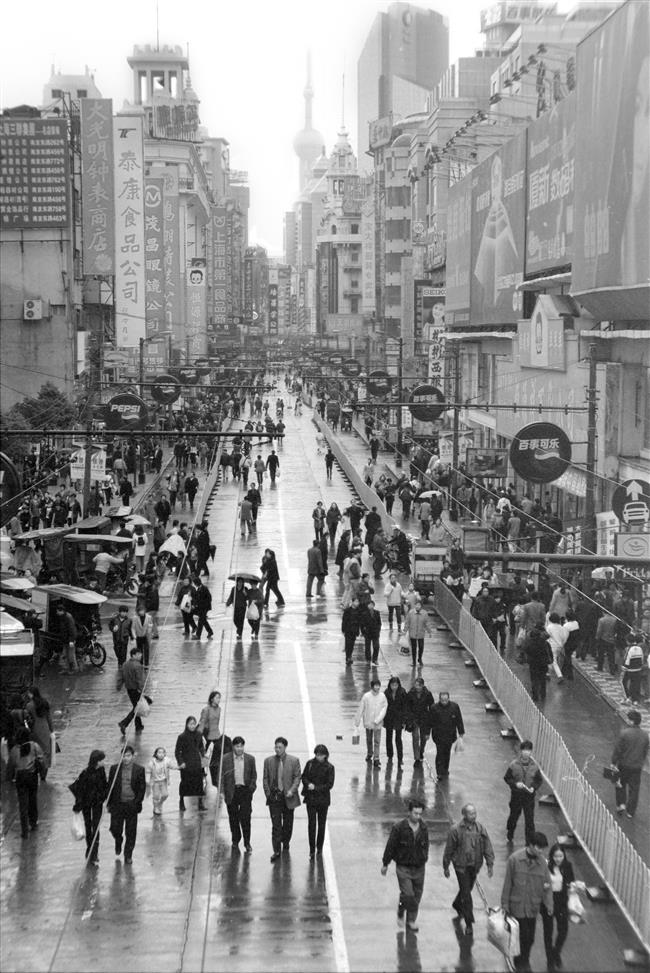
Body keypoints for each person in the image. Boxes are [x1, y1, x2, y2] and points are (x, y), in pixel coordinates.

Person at [501, 831, 553, 972]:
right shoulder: (515, 860)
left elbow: (547, 885)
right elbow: (508, 884)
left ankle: (524, 960)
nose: (541, 851)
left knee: (530, 938)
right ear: (531, 845)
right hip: (517, 907)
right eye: (538, 848)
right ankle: (521, 963)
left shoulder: (542, 863)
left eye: (543, 848)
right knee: (522, 936)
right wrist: (505, 905)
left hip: (532, 907)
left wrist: (549, 905)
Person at [443, 803, 494, 936]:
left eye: (475, 813)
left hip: (475, 866)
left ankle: (456, 904)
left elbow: (487, 846)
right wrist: (446, 866)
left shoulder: (480, 828)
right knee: (466, 893)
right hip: (461, 866)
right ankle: (469, 922)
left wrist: (490, 864)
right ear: (464, 815)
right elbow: (449, 849)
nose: (474, 816)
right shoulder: (456, 830)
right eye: (471, 813)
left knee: (467, 889)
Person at [381, 798, 429, 933]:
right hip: (404, 867)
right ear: (409, 812)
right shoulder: (399, 828)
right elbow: (391, 846)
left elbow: (426, 845)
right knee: (408, 894)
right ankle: (401, 911)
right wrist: (385, 863)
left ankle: (411, 920)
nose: (418, 816)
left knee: (417, 896)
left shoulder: (424, 828)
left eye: (420, 814)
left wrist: (424, 858)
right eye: (415, 813)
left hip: (419, 868)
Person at [262, 737, 302, 862]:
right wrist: (268, 794)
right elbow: (265, 779)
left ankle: (286, 842)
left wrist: (292, 790)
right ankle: (276, 850)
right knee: (276, 825)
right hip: (275, 798)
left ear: (285, 747)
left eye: (280, 747)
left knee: (288, 823)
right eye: (276, 747)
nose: (277, 749)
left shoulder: (294, 761)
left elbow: (297, 777)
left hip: (288, 797)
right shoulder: (268, 761)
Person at [107, 746, 147, 864]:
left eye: (128, 756)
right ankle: (118, 840)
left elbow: (141, 788)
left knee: (131, 831)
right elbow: (110, 786)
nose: (125, 758)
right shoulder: (115, 769)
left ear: (132, 756)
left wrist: (137, 802)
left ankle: (128, 854)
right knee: (115, 828)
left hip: (131, 805)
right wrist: (109, 803)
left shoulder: (139, 770)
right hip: (117, 804)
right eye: (124, 756)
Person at [69, 749, 108, 863]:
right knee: (88, 826)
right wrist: (77, 807)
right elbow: (80, 791)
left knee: (96, 827)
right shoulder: (85, 773)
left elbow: (104, 786)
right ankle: (89, 848)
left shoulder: (102, 771)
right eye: (102, 760)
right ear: (97, 761)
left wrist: (104, 796)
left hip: (97, 804)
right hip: (87, 804)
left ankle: (94, 852)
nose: (104, 762)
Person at [541, 843, 575, 971]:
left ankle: (555, 953)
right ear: (552, 856)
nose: (558, 859)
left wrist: (573, 887)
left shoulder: (568, 866)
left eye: (561, 856)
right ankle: (550, 960)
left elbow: (571, 881)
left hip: (561, 902)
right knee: (548, 932)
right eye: (556, 856)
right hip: (548, 902)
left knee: (563, 930)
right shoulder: (546, 867)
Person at [7, 727, 45, 838]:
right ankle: (33, 823)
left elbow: (10, 766)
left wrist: (9, 780)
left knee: (22, 804)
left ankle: (24, 830)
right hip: (32, 776)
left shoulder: (14, 750)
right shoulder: (34, 746)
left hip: (20, 778)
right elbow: (41, 760)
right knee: (33, 800)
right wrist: (42, 773)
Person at [221, 736, 257, 852]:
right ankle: (235, 840)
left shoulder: (250, 759)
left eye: (241, 746)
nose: (240, 748)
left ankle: (247, 842)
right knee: (233, 818)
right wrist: (222, 791)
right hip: (231, 791)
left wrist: (251, 789)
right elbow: (220, 776)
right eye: (237, 746)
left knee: (246, 818)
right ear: (233, 747)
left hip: (245, 791)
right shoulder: (225, 759)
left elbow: (253, 776)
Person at [611, 709, 649, 818]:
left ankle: (621, 804)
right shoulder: (645, 735)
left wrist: (613, 762)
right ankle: (630, 812)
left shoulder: (625, 733)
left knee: (620, 784)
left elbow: (618, 750)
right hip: (637, 766)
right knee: (634, 789)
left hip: (624, 764)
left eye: (628, 719)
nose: (627, 720)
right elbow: (645, 751)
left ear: (632, 721)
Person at [504, 740, 543, 844]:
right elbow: (507, 778)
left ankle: (529, 841)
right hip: (516, 795)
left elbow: (539, 780)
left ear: (531, 752)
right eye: (525, 750)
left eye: (528, 750)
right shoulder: (514, 764)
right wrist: (515, 784)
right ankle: (510, 832)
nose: (526, 752)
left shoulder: (534, 766)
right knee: (514, 816)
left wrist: (534, 788)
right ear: (521, 751)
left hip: (529, 797)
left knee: (529, 820)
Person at [301, 744, 335, 860]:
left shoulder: (329, 767)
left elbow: (329, 784)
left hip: (323, 800)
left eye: (320, 755)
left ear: (325, 755)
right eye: (316, 754)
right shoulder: (310, 764)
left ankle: (319, 847)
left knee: (321, 824)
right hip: (311, 799)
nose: (318, 757)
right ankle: (311, 848)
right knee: (311, 824)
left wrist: (315, 787)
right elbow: (304, 777)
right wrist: (308, 784)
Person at [429, 692, 465, 781]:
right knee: (440, 752)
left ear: (449, 699)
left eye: (445, 700)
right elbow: (429, 721)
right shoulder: (434, 708)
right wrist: (427, 732)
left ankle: (445, 769)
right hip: (438, 735)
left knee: (447, 752)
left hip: (450, 734)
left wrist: (461, 732)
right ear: (439, 699)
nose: (444, 702)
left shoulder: (454, 707)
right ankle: (439, 772)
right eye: (442, 700)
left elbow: (459, 720)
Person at [175, 716, 207, 813]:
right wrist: (181, 762)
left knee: (199, 783)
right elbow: (177, 751)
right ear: (186, 725)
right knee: (185, 783)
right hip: (186, 763)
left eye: (194, 724)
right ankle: (181, 801)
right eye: (190, 724)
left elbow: (201, 747)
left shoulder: (199, 735)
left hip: (196, 762)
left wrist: (204, 755)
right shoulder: (182, 737)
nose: (192, 726)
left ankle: (200, 803)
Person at [198, 690, 228, 788]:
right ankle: (202, 771)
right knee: (204, 754)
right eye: (217, 697)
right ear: (212, 699)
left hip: (216, 734)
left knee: (220, 752)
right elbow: (202, 722)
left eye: (219, 697)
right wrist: (199, 735)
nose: (219, 700)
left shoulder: (219, 709)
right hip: (207, 734)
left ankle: (218, 770)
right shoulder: (206, 710)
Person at [354, 678, 388, 768]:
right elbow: (361, 708)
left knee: (377, 741)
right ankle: (370, 753)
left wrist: (378, 719)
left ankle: (376, 758)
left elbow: (384, 709)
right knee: (369, 740)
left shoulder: (382, 696)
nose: (377, 687)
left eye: (378, 685)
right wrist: (357, 721)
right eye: (375, 685)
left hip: (378, 724)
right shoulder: (366, 696)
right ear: (372, 686)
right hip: (368, 722)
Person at [23, 686, 54, 780]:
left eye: (28, 693)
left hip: (34, 730)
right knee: (46, 752)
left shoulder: (29, 705)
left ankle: (36, 773)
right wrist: (52, 731)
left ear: (31, 694)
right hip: (45, 729)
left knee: (36, 753)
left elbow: (27, 720)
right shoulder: (45, 703)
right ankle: (43, 777)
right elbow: (49, 718)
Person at [406, 677, 434, 765]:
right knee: (415, 737)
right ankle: (417, 757)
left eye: (419, 685)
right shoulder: (410, 693)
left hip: (424, 718)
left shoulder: (428, 694)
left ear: (422, 686)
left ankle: (421, 751)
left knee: (423, 738)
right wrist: (408, 718)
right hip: (414, 718)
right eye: (416, 685)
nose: (417, 687)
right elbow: (407, 706)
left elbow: (431, 706)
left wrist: (431, 717)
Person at [118, 646, 146, 736]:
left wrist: (119, 686)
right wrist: (142, 689)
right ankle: (124, 723)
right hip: (136, 690)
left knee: (136, 706)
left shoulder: (125, 664)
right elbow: (139, 679)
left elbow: (121, 677)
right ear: (133, 655)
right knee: (136, 708)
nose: (140, 656)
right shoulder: (138, 666)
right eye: (138, 654)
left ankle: (138, 725)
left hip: (129, 690)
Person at [523, 623, 552, 703]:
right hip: (543, 664)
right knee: (542, 678)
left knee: (534, 679)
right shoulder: (545, 643)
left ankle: (535, 694)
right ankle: (543, 693)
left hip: (533, 664)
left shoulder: (529, 644)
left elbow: (525, 651)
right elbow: (550, 653)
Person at [384, 675, 408, 767]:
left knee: (398, 739)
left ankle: (400, 758)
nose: (394, 686)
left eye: (396, 684)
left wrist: (404, 720)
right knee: (388, 737)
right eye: (392, 684)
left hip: (399, 718)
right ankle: (390, 755)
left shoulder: (402, 692)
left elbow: (405, 706)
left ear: (398, 685)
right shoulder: (386, 692)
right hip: (389, 718)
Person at [403, 601, 434, 667]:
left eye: (419, 605)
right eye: (416, 605)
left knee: (421, 647)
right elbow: (407, 622)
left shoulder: (424, 613)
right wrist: (405, 630)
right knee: (414, 648)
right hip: (412, 633)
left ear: (421, 606)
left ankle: (420, 658)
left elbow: (427, 623)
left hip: (421, 633)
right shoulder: (411, 613)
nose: (417, 606)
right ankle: (414, 661)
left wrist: (429, 631)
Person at [146, 746, 174, 816]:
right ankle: (156, 808)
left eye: (163, 752)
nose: (161, 754)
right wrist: (147, 780)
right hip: (155, 782)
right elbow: (148, 771)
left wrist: (179, 767)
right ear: (156, 754)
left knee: (165, 795)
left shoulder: (167, 761)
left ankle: (160, 803)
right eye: (159, 752)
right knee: (156, 796)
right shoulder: (152, 762)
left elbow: (172, 766)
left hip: (163, 781)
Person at [54, 602, 79, 673]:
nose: (57, 613)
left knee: (71, 655)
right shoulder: (63, 617)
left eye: (57, 611)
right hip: (65, 639)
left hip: (69, 640)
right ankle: (66, 668)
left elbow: (72, 629)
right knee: (65, 655)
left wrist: (71, 640)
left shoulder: (68, 617)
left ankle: (74, 669)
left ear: (61, 611)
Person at [109, 604, 132, 673]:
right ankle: (120, 661)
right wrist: (113, 629)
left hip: (125, 638)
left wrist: (132, 637)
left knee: (123, 652)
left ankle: (122, 664)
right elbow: (110, 625)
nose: (124, 613)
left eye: (125, 612)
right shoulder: (114, 619)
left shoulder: (129, 620)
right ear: (119, 612)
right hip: (116, 638)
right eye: (122, 612)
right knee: (117, 650)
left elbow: (130, 629)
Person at [131, 602, 154, 668]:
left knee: (147, 650)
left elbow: (150, 625)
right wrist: (134, 636)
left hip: (146, 636)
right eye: (140, 611)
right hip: (138, 637)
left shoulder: (149, 617)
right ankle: (140, 664)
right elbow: (133, 628)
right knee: (139, 651)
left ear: (144, 610)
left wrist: (149, 631)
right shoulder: (135, 618)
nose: (141, 612)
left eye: (142, 610)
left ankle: (146, 664)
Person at [361, 599, 382, 665]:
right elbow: (362, 624)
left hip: (375, 632)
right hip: (367, 632)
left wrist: (378, 630)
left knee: (376, 646)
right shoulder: (364, 613)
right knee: (367, 647)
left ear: (374, 605)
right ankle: (368, 659)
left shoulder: (377, 612)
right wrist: (363, 632)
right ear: (367, 606)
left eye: (372, 605)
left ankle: (375, 659)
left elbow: (379, 622)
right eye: (369, 605)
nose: (371, 606)